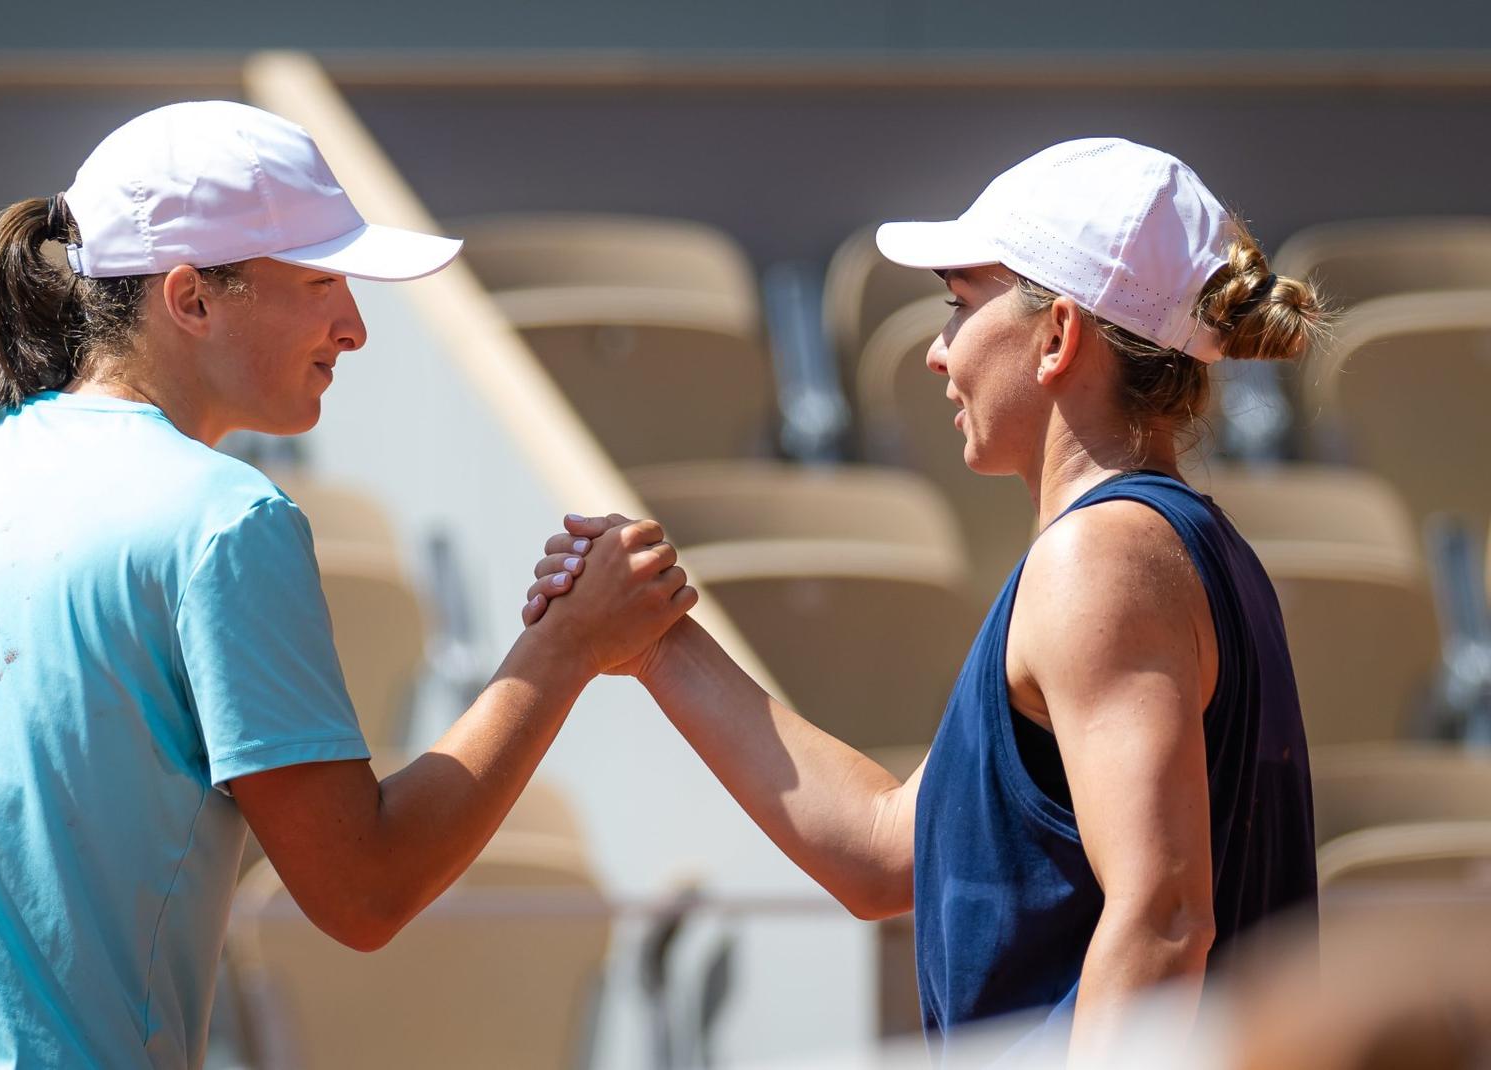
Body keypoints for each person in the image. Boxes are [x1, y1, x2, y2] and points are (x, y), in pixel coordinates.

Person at [0, 101, 697, 1069]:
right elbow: (364, 888)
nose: (354, 326)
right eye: (319, 284)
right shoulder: (226, 519)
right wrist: (565, 648)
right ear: (191, 297)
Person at [526, 138, 1326, 1062]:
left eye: (960, 305)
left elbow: (1164, 918)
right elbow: (882, 853)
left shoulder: (1102, 559)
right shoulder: (1163, 551)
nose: (939, 353)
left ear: (1059, 336)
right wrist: (659, 642)